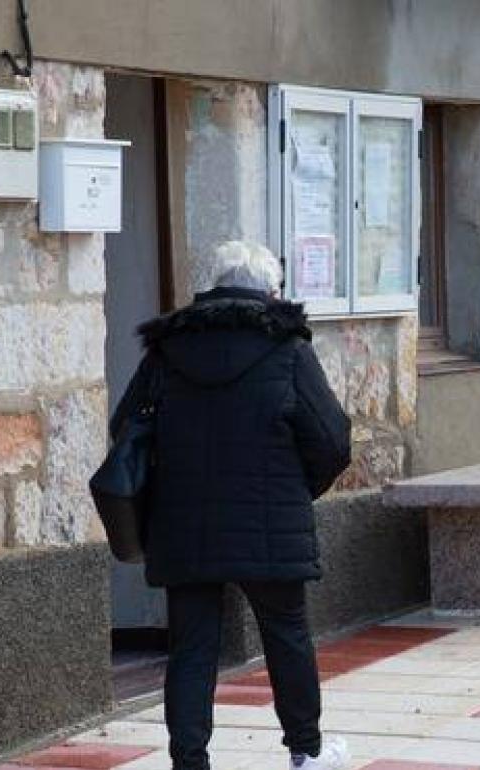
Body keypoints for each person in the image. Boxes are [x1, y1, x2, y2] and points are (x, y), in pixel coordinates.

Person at [111, 241, 353, 769]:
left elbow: (124, 427)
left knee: (192, 647)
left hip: (184, 523)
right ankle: (305, 754)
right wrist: (294, 489)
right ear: (270, 292)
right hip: (269, 522)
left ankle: (190, 762)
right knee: (286, 634)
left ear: (214, 286)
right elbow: (332, 439)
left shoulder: (166, 351)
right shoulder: (288, 348)